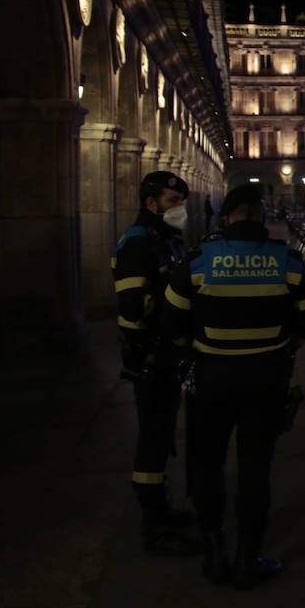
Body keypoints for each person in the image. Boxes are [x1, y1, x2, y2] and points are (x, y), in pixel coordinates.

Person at [163, 184, 305, 589]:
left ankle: (216, 554)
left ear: (226, 219)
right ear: (263, 218)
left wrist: (193, 348)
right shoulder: (288, 262)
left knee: (206, 465)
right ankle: (250, 558)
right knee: (255, 469)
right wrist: (282, 347)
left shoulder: (197, 263)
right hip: (266, 381)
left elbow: (170, 319)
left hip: (211, 378)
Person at [111, 170, 200, 555]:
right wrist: (175, 308)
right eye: (171, 200)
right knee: (152, 436)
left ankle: (161, 505)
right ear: (151, 204)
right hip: (149, 354)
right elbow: (133, 305)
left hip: (167, 352)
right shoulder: (137, 243)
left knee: (162, 434)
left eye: (181, 200)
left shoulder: (166, 239)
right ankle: (153, 521)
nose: (179, 207)